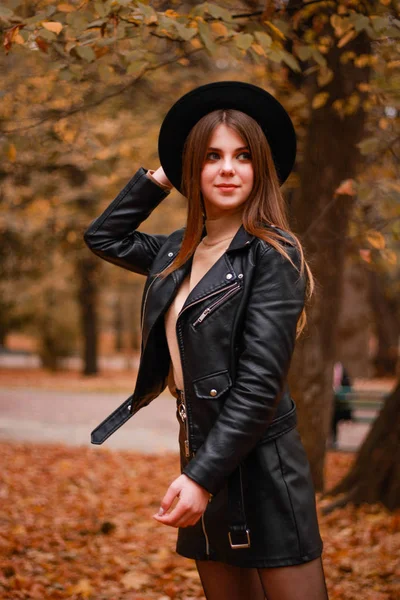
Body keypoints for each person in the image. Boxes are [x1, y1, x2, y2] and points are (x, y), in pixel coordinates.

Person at [84, 81, 329, 599]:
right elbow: (104, 236)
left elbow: (260, 384)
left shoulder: (272, 254)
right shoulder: (176, 251)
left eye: (243, 157)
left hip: (261, 466)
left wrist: (200, 477)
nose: (227, 169)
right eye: (212, 156)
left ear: (260, 169)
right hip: (201, 451)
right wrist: (166, 172)